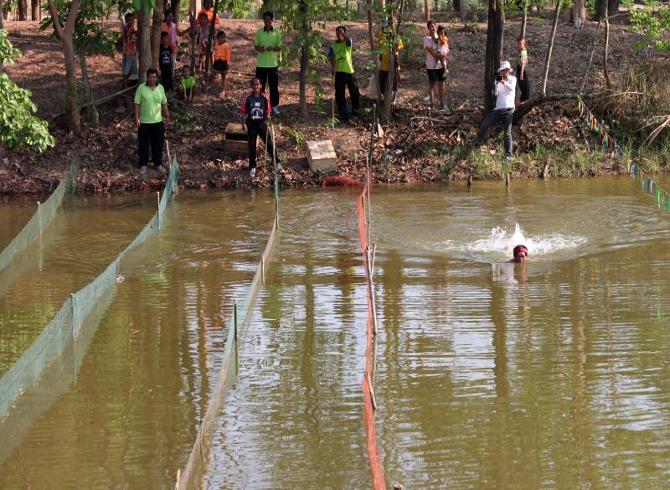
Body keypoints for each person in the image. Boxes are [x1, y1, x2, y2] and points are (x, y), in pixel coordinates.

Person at [473, 61, 517, 159]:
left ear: (509, 71)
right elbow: (496, 93)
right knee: (485, 124)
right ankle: (477, 143)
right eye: (503, 70)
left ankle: (509, 155)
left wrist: (502, 81)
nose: (504, 72)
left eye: (506, 70)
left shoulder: (513, 79)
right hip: (497, 110)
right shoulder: (498, 80)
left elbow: (511, 89)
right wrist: (497, 83)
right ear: (501, 71)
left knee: (507, 133)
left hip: (509, 110)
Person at [134, 68, 171, 176]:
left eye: (154, 77)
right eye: (150, 76)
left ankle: (158, 163)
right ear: (147, 77)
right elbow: (136, 103)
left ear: (157, 78)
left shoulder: (160, 88)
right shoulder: (141, 88)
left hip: (158, 122)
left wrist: (167, 116)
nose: (152, 79)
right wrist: (136, 118)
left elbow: (164, 103)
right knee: (143, 144)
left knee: (158, 144)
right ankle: (143, 165)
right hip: (144, 122)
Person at [241, 78, 280, 178]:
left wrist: (268, 117)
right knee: (252, 146)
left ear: (261, 86)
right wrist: (244, 123)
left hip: (262, 123)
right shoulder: (248, 98)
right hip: (252, 124)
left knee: (269, 143)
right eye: (254, 85)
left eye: (257, 85)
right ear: (251, 86)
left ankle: (276, 162)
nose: (256, 87)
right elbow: (244, 111)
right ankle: (253, 167)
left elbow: (268, 110)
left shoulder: (264, 97)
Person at [328, 26, 360, 123]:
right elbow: (331, 57)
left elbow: (349, 39)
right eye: (337, 33)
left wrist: (343, 33)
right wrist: (333, 67)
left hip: (349, 72)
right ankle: (343, 114)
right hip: (339, 72)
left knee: (354, 92)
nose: (339, 35)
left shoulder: (347, 43)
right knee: (339, 94)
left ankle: (355, 110)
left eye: (341, 33)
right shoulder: (333, 46)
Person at [254, 11, 282, 115]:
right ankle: (260, 106)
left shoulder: (277, 32)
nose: (267, 21)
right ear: (263, 20)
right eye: (265, 19)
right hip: (261, 64)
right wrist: (261, 49)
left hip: (273, 65)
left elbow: (279, 47)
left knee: (274, 87)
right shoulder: (259, 32)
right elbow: (256, 46)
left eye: (269, 19)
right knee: (260, 87)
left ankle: (274, 106)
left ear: (272, 20)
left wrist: (272, 48)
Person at [378, 27, 403, 103]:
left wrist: (394, 45)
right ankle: (386, 98)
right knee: (381, 83)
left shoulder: (395, 37)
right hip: (383, 65)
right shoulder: (381, 35)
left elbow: (400, 47)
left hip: (392, 65)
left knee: (393, 83)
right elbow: (379, 45)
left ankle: (392, 100)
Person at [422, 20, 440, 107]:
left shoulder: (440, 37)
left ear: (436, 26)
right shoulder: (426, 39)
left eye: (433, 26)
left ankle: (441, 102)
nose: (431, 28)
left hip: (440, 65)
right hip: (431, 65)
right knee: (432, 84)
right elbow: (432, 52)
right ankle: (432, 104)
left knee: (440, 83)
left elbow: (445, 48)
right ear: (428, 29)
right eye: (429, 27)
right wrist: (439, 55)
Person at [212, 30, 231, 99]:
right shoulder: (216, 45)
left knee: (223, 76)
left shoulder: (226, 45)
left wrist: (228, 64)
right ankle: (210, 84)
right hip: (217, 62)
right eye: (219, 38)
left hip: (223, 62)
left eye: (222, 37)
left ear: (224, 38)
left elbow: (228, 55)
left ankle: (223, 90)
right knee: (213, 73)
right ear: (217, 38)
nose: (221, 39)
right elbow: (214, 53)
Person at [121, 12, 138, 88]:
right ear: (126, 20)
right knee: (126, 69)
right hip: (128, 52)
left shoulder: (132, 28)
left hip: (133, 51)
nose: (131, 21)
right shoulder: (126, 28)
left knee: (133, 68)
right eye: (129, 20)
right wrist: (132, 29)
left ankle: (130, 82)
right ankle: (125, 85)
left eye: (133, 20)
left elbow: (136, 34)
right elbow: (127, 34)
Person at [435, 25, 449, 112]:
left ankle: (443, 103)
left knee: (442, 83)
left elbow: (447, 49)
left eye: (443, 33)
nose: (441, 35)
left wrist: (444, 53)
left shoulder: (445, 40)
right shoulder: (436, 40)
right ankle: (439, 103)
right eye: (440, 33)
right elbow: (436, 51)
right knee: (438, 83)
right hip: (437, 63)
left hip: (442, 60)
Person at [517, 37, 530, 102]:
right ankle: (522, 100)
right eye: (518, 44)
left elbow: (523, 62)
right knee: (522, 86)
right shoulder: (521, 50)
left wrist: (521, 73)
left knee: (524, 87)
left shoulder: (523, 51)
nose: (519, 45)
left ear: (523, 44)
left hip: (522, 70)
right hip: (520, 69)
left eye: (520, 44)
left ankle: (524, 101)